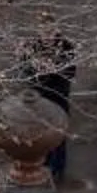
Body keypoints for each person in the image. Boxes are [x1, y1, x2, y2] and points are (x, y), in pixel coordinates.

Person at [21, 13, 80, 183]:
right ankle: (43, 165)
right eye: (44, 32)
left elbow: (70, 72)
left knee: (58, 134)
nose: (47, 36)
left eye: (50, 32)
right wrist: (36, 69)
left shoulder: (67, 47)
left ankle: (57, 169)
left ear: (56, 30)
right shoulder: (31, 47)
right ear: (38, 32)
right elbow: (24, 72)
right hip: (40, 97)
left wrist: (52, 69)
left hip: (58, 96)